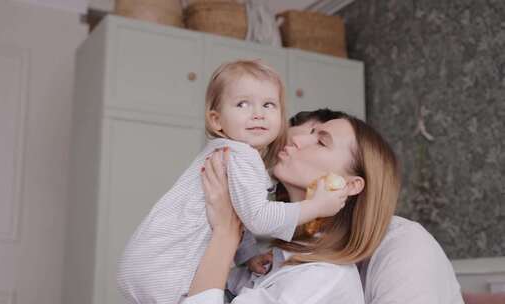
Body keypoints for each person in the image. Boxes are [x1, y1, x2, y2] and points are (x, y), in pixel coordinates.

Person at [116, 61, 347, 304]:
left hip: (146, 263)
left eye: (268, 104)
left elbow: (240, 214)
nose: (258, 113)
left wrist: (247, 257)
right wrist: (316, 206)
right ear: (216, 121)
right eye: (242, 104)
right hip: (168, 269)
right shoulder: (241, 156)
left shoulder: (227, 153)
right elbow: (258, 217)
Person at [184, 109, 464, 303]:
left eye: (320, 140)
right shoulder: (273, 258)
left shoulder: (328, 275)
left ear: (349, 184)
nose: (295, 140)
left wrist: (224, 234)